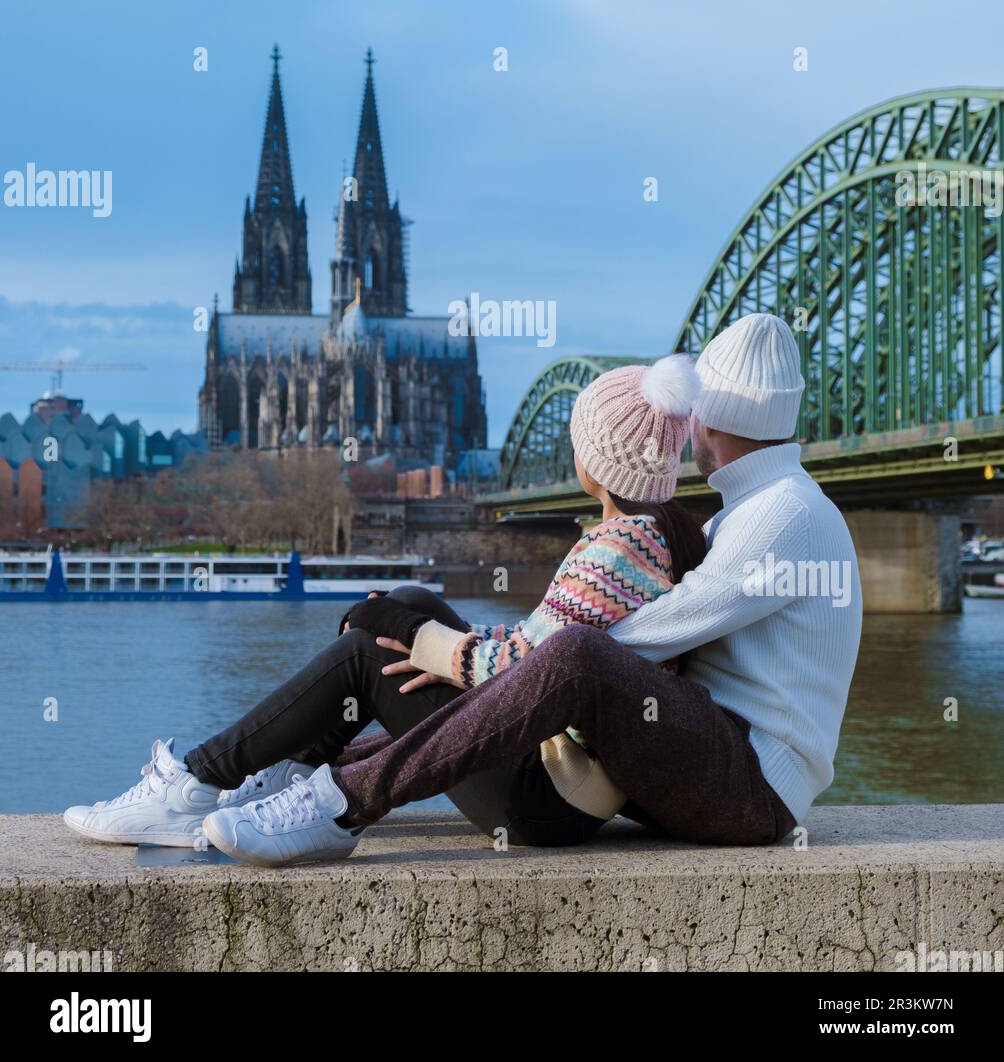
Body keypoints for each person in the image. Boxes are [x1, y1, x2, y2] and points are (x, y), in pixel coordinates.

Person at [192, 313, 862, 865]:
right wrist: (487, 654)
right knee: (446, 618)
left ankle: (340, 801)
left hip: (749, 789)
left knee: (573, 654)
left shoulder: (785, 514)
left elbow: (640, 639)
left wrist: (497, 660)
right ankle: (288, 776)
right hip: (692, 754)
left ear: (707, 418)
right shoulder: (747, 511)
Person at [63, 354, 707, 860]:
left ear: (591, 464)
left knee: (367, 652)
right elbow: (537, 645)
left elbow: (521, 669)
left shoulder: (612, 555)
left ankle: (192, 783)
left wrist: (410, 636)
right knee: (411, 598)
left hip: (544, 801)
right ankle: (284, 775)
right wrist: (418, 624)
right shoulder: (651, 540)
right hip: (561, 778)